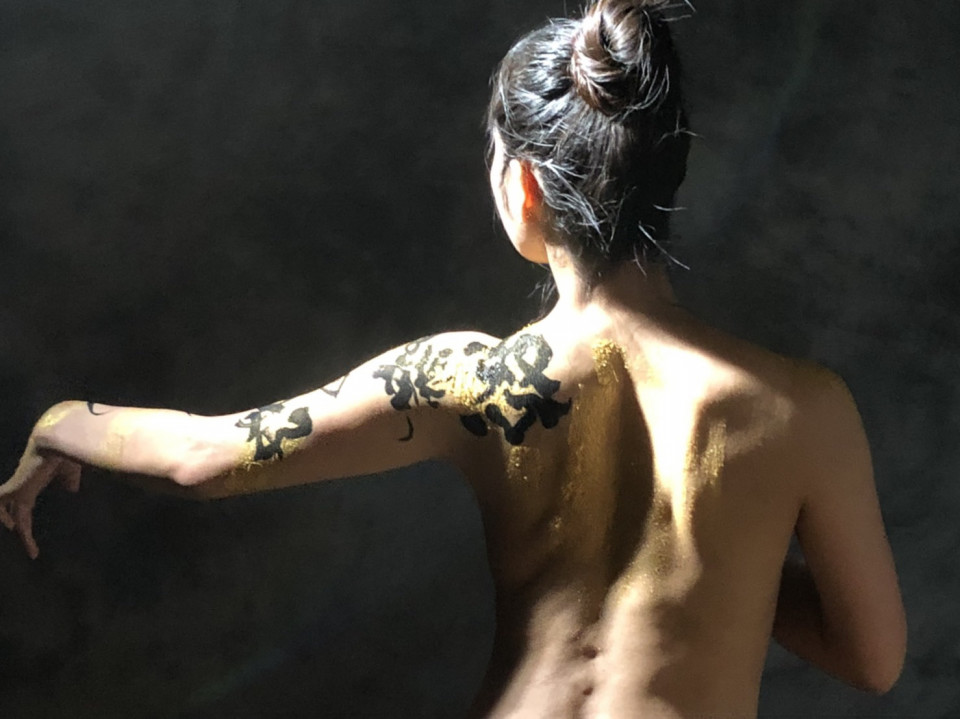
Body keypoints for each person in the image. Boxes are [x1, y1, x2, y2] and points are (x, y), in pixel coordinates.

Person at [0, 0, 906, 716]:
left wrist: (65, 421)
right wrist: (729, 556)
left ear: (524, 187)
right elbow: (872, 658)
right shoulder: (798, 407)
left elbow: (204, 457)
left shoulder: (468, 380)